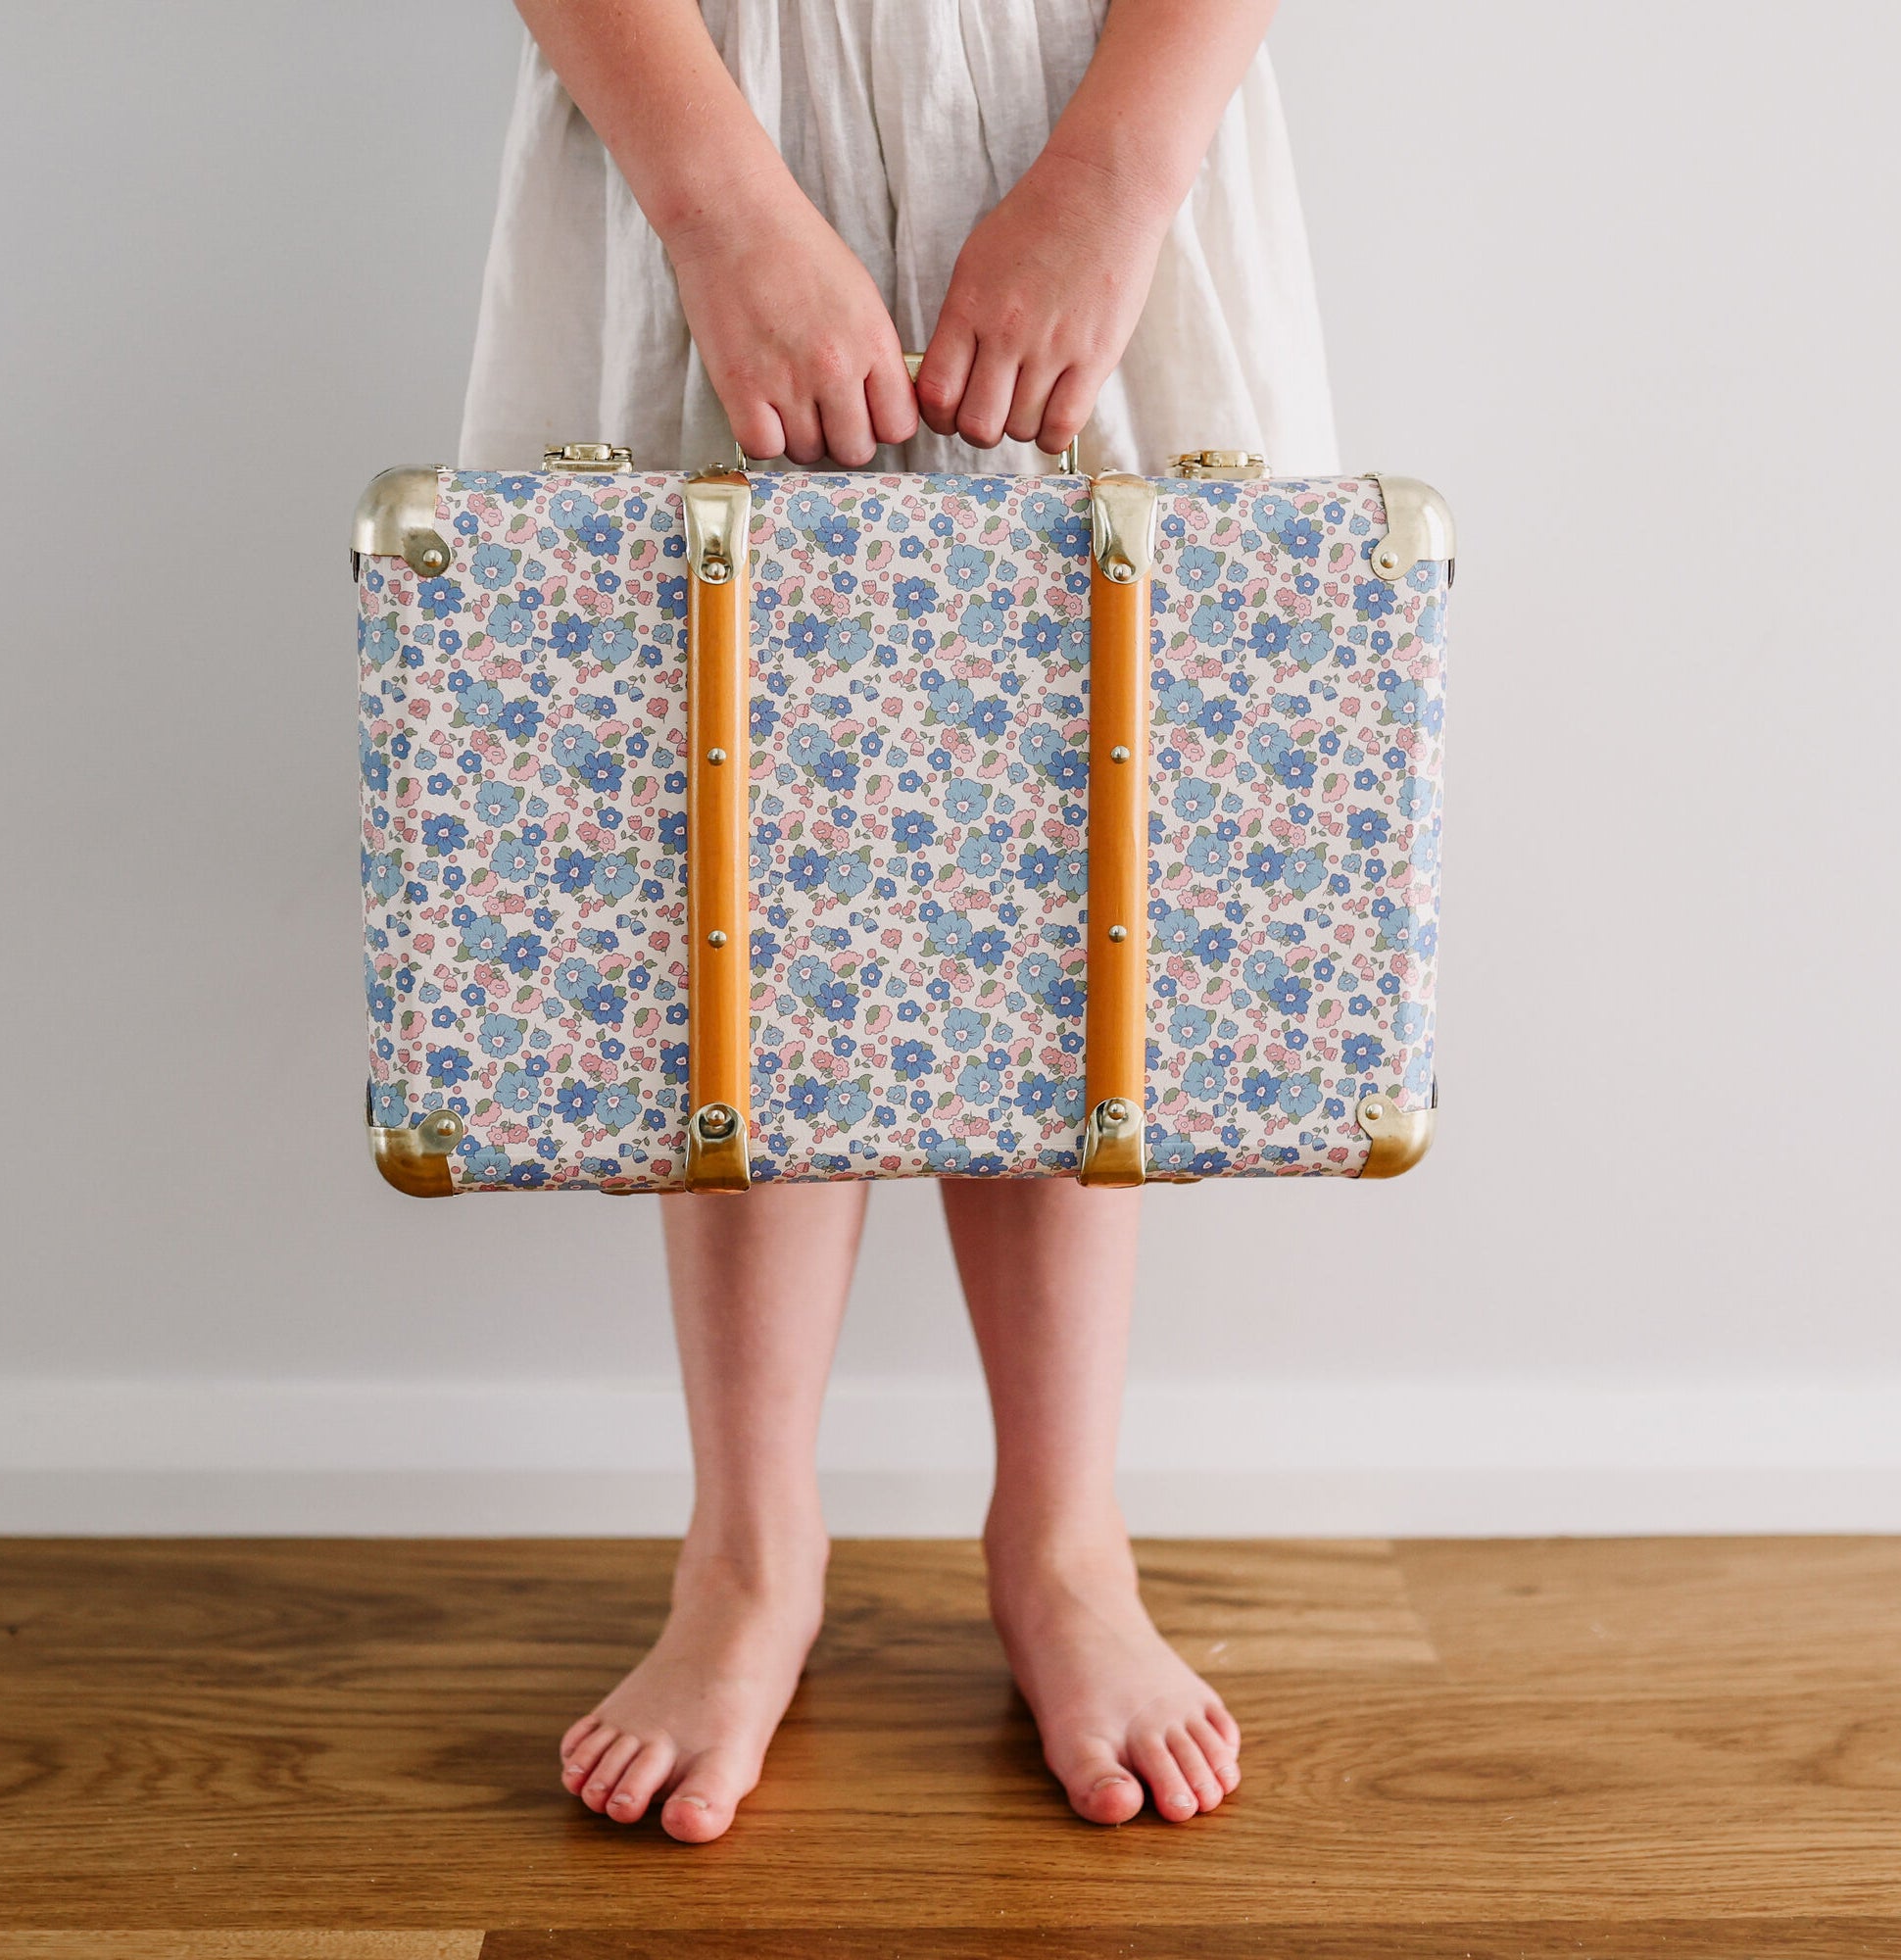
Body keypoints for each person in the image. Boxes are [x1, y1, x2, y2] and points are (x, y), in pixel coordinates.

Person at [460, 0, 1339, 1843]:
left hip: (1087, 88)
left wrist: (1117, 171)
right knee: (731, 828)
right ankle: (749, 1552)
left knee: (1067, 815)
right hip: (704, 102)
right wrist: (716, 205)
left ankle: (1065, 1540)